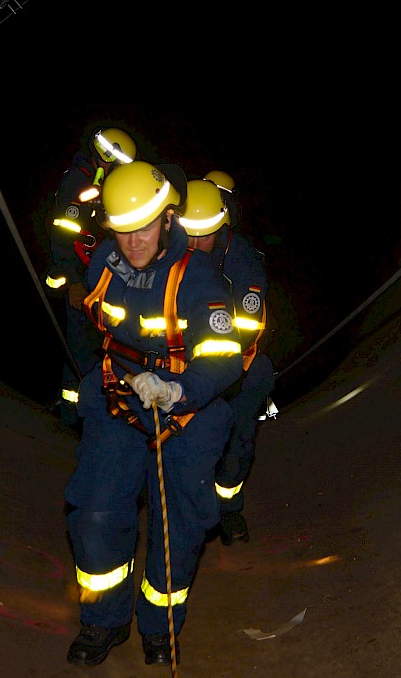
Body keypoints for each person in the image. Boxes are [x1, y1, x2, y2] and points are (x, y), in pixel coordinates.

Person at [64, 160, 244, 668]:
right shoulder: (104, 260)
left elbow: (224, 356)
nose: (133, 241)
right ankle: (103, 623)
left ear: (168, 218)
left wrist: (176, 389)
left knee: (181, 521)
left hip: (186, 408)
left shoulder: (199, 277)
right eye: (123, 229)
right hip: (119, 396)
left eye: (144, 225)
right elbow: (93, 318)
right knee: (96, 511)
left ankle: (160, 624)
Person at [178, 173, 276, 546]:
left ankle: (229, 512)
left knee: (235, 447)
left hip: (239, 374)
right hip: (189, 372)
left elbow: (245, 326)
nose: (197, 239)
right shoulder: (172, 252)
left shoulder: (242, 259)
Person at [39, 126, 138, 430]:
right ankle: (85, 417)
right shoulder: (80, 184)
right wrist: (73, 280)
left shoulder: (93, 181)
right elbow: (62, 234)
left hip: (98, 277)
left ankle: (72, 415)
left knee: (82, 351)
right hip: (81, 281)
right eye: (117, 165)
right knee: (81, 350)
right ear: (106, 157)